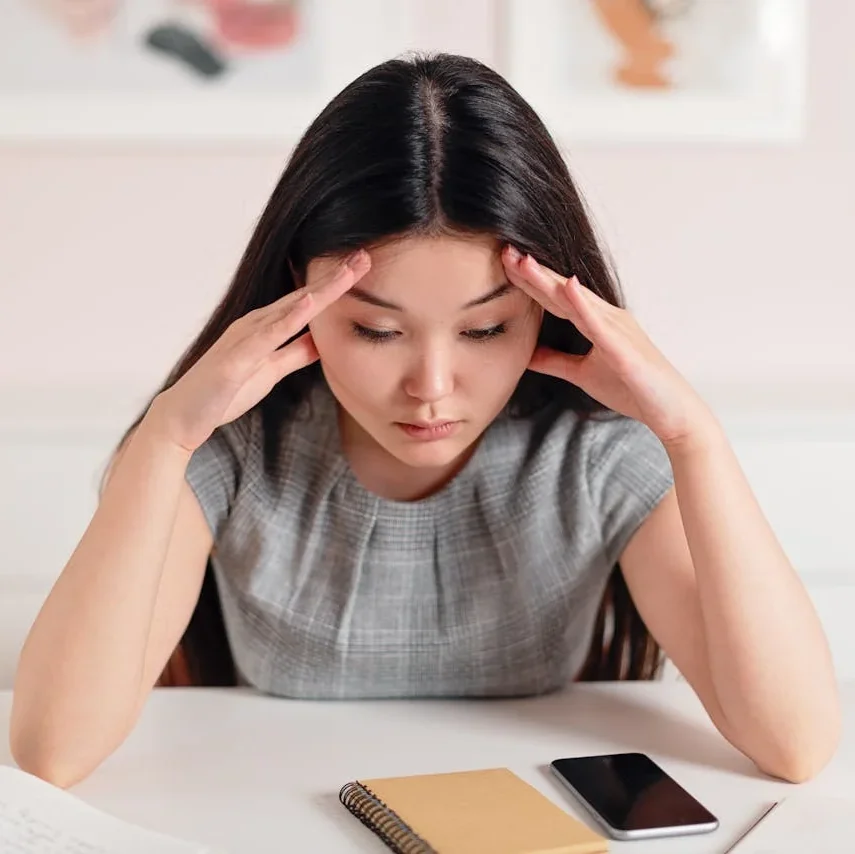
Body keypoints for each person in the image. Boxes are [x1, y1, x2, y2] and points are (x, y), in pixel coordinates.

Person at [10, 52, 839, 790]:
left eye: (485, 330)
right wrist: (163, 439)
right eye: (374, 329)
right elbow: (53, 751)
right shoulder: (235, 452)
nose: (431, 387)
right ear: (298, 293)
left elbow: (794, 745)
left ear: (549, 311)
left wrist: (694, 438)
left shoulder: (590, 457)